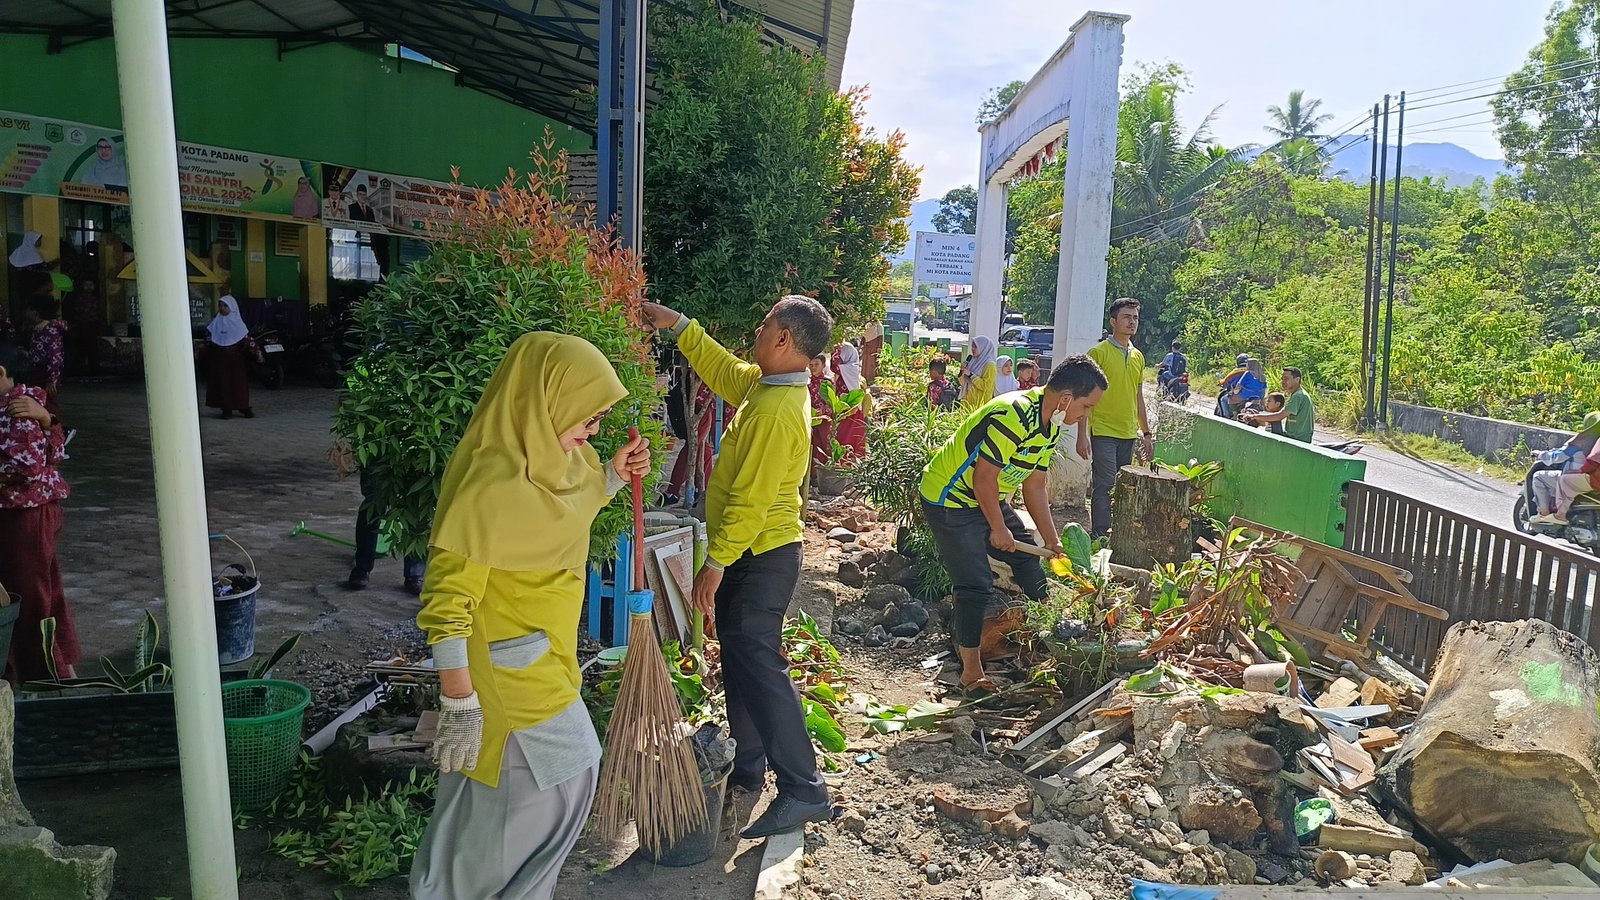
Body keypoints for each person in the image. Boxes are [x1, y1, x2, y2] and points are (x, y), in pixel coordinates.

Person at [409, 332, 651, 900]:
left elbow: (565, 511)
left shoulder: (562, 462)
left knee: (521, 801)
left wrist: (612, 474)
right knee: (539, 795)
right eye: (586, 419)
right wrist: (460, 704)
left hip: (548, 660)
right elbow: (447, 607)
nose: (592, 432)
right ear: (546, 402)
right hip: (506, 677)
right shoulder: (488, 485)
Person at [641, 295, 834, 839]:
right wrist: (679, 324)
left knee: (759, 662)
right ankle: (748, 767)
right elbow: (727, 372)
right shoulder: (768, 386)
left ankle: (803, 789)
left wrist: (716, 562)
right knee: (744, 660)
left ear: (783, 340)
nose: (757, 327)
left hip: (761, 554)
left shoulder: (778, 412)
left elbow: (750, 500)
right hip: (750, 551)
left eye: (766, 322)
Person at [919, 357, 1106, 695]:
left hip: (985, 497)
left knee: (1027, 560)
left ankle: (1053, 637)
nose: (1085, 415)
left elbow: (1034, 486)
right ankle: (971, 672)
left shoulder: (1049, 425)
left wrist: (1052, 541)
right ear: (1065, 397)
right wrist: (998, 528)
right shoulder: (1014, 414)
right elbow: (984, 479)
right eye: (1086, 405)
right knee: (974, 583)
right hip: (950, 499)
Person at [0, 363, 78, 684]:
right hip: (22, 515)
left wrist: (45, 419)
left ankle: (48, 677)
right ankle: (62, 675)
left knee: (30, 597)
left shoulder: (19, 405)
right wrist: (48, 420)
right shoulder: (29, 404)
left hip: (27, 517)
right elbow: (55, 449)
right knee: (41, 591)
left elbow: (29, 466)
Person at [1083, 298, 1153, 538]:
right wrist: (1082, 435)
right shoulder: (1098, 353)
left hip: (1128, 432)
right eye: (1126, 317)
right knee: (1105, 484)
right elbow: (1085, 396)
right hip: (1103, 431)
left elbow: (1138, 396)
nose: (1132, 322)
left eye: (1135, 317)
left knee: (1124, 487)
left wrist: (1146, 433)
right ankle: (1099, 535)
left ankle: (1117, 534)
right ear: (1113, 321)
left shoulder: (1138, 357)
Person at [348, 467, 427, 595]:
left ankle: (415, 574)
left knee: (417, 503)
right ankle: (362, 568)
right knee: (373, 502)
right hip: (382, 453)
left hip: (417, 451)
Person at [1530, 412, 1600, 523]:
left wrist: (1540, 454)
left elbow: (1558, 456)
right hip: (1590, 478)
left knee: (1539, 476)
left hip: (1584, 477)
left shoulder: (1580, 441)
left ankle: (1545, 514)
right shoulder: (1596, 441)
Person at [204, 294, 255, 419]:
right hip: (220, 360)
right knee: (222, 383)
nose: (222, 308)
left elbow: (246, 340)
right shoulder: (216, 323)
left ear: (232, 307)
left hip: (236, 361)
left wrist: (255, 353)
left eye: (225, 306)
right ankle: (226, 408)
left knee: (238, 384)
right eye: (220, 305)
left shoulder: (239, 325)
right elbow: (209, 339)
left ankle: (243, 406)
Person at [22, 296, 67, 416]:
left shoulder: (50, 330)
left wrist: (52, 379)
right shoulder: (36, 329)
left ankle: (56, 429)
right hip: (36, 369)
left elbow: (55, 356)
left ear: (35, 312)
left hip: (46, 372)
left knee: (49, 402)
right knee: (38, 399)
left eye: (28, 310)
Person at [1242, 368, 1314, 442]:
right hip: (1293, 436)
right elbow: (1277, 414)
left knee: (1273, 421)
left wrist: (1254, 416)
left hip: (1297, 439)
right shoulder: (1296, 394)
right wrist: (1258, 415)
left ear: (1297, 379)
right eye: (1282, 379)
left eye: (1286, 379)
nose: (1283, 382)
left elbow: (1279, 416)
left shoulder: (1298, 395)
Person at [830, 341, 865, 461]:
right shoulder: (849, 366)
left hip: (851, 410)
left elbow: (834, 365)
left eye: (843, 353)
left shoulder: (850, 368)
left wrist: (837, 351)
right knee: (842, 437)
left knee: (848, 438)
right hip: (843, 409)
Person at [1552, 439, 1600, 526]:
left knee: (1564, 480)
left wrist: (1580, 470)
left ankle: (1560, 515)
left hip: (1596, 480)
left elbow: (1593, 462)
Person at [807, 354, 833, 469]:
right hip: (809, 420)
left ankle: (823, 473)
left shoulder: (828, 382)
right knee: (809, 446)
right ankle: (810, 475)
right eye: (811, 365)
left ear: (823, 365)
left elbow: (833, 404)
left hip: (824, 421)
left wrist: (822, 411)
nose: (813, 367)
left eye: (816, 364)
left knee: (824, 446)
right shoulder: (806, 383)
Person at [959, 335, 997, 412]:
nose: (973, 349)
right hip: (966, 403)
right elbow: (962, 382)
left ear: (983, 347)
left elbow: (987, 386)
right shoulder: (972, 361)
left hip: (980, 405)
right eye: (972, 346)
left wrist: (971, 375)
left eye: (975, 347)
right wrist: (962, 372)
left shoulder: (990, 365)